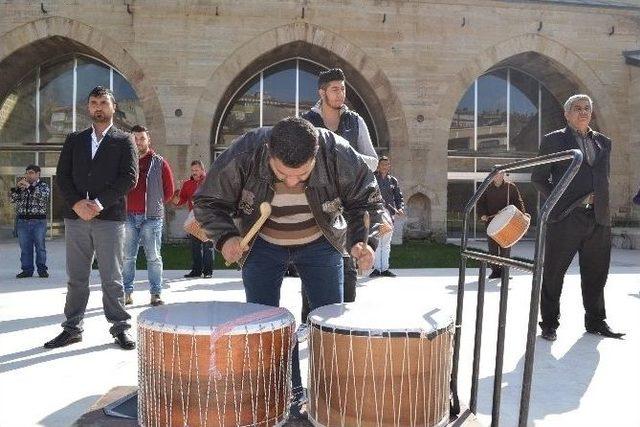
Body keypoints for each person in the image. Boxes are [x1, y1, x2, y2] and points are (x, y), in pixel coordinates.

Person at [193, 117, 384, 418]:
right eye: (282, 173)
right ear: (268, 151)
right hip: (262, 244)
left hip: (321, 241)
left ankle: (330, 396)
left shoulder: (337, 151)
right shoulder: (247, 150)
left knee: (330, 323)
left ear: (316, 152)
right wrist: (227, 237)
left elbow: (368, 200)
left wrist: (364, 241)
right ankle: (287, 394)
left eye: (303, 174)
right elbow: (207, 201)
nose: (292, 182)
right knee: (265, 324)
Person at [45, 86, 138, 351]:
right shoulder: (75, 139)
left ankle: (120, 328)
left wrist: (97, 204)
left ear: (113, 107)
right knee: (76, 277)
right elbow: (62, 176)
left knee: (112, 277)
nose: (98, 107)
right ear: (89, 108)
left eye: (103, 102)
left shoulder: (124, 141)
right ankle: (72, 328)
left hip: (109, 218)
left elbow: (129, 178)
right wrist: (76, 203)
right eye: (94, 102)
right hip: (76, 219)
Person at [532, 94, 624, 341]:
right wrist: (558, 202)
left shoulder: (604, 142)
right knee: (554, 273)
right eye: (577, 108)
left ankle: (596, 321)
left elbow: (602, 177)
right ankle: (549, 324)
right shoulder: (554, 141)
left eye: (587, 108)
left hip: (598, 218)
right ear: (567, 114)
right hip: (566, 217)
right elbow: (538, 177)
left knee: (596, 273)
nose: (583, 112)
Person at [298, 67, 378, 323]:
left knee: (348, 266)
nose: (340, 93)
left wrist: (345, 156)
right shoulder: (306, 121)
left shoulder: (355, 121)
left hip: (349, 204)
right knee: (313, 267)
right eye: (334, 89)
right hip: (316, 204)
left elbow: (373, 162)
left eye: (342, 88)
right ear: (322, 92)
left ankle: (343, 326)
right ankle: (309, 323)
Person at [123, 125, 175, 306]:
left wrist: (156, 205)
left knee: (153, 257)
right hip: (128, 216)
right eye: (135, 139)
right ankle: (126, 293)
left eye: (142, 138)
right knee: (128, 257)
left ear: (148, 140)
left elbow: (169, 191)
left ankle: (156, 294)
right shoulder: (124, 162)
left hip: (151, 218)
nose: (138, 142)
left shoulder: (159, 163)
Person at [477, 172, 526, 279]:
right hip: (491, 223)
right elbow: (480, 203)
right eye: (495, 174)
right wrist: (482, 214)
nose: (497, 176)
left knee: (505, 248)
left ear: (503, 174)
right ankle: (495, 271)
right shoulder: (486, 187)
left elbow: (518, 202)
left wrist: (523, 213)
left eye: (499, 174)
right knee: (492, 249)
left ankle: (504, 272)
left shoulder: (510, 187)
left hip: (507, 222)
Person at [174, 160, 214, 278]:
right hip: (194, 219)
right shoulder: (187, 184)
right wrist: (177, 191)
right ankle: (196, 271)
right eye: (192, 170)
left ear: (202, 170)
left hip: (209, 217)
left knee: (208, 245)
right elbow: (179, 201)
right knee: (195, 246)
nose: (194, 173)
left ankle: (207, 272)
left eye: (196, 170)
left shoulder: (210, 181)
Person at [9, 164, 50, 278]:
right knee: (25, 248)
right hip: (22, 221)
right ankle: (27, 270)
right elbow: (12, 200)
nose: (28, 175)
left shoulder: (43, 186)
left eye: (31, 173)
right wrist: (16, 189)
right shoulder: (22, 187)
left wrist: (29, 187)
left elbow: (43, 197)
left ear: (38, 174)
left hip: (38, 222)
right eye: (27, 173)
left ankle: (42, 270)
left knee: (40, 247)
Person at [370, 156, 405, 277]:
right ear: (378, 166)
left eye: (387, 164)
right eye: (382, 164)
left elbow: (398, 197)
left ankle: (384, 268)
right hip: (376, 214)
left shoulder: (393, 181)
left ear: (389, 166)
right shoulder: (372, 178)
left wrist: (400, 208)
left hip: (389, 215)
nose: (385, 166)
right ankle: (376, 269)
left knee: (386, 243)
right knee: (377, 242)